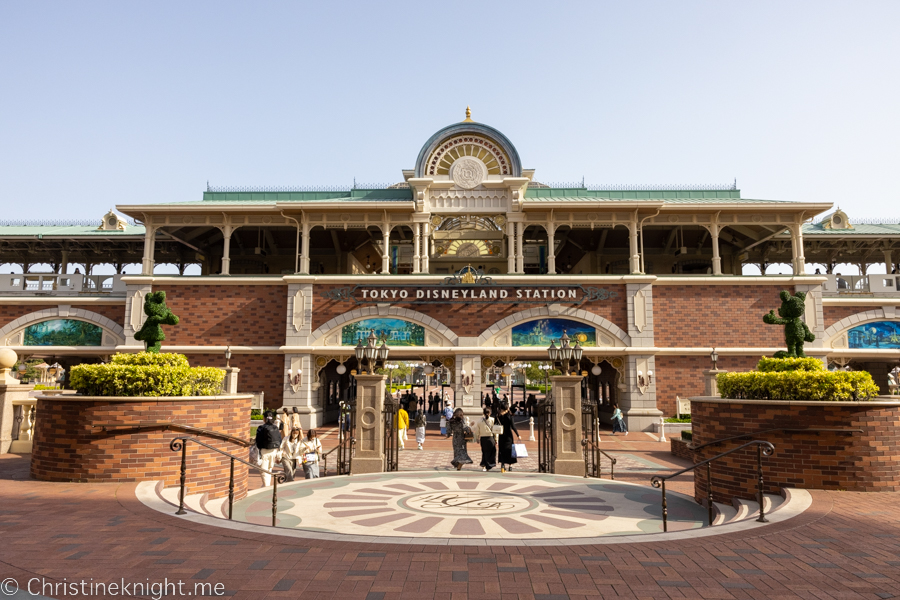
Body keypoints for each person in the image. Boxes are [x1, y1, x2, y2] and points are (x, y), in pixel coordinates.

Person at [254, 411, 282, 486]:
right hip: (273, 452)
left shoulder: (261, 428)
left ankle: (267, 488)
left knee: (264, 471)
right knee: (269, 470)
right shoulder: (275, 427)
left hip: (264, 452)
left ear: (264, 418)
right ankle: (265, 487)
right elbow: (280, 440)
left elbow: (258, 440)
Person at [496, 402, 521, 473]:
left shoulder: (498, 416)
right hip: (508, 436)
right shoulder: (510, 416)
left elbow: (495, 424)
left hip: (501, 435)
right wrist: (518, 435)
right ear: (507, 409)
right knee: (509, 450)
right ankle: (510, 465)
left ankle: (502, 465)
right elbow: (513, 426)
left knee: (502, 450)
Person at [473, 407, 496, 471]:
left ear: (483, 413)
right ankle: (489, 465)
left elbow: (477, 431)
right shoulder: (493, 420)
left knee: (484, 452)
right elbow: (495, 430)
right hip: (490, 438)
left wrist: (477, 438)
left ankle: (484, 465)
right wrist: (496, 439)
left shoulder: (479, 421)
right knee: (492, 452)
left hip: (483, 439)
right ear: (490, 413)